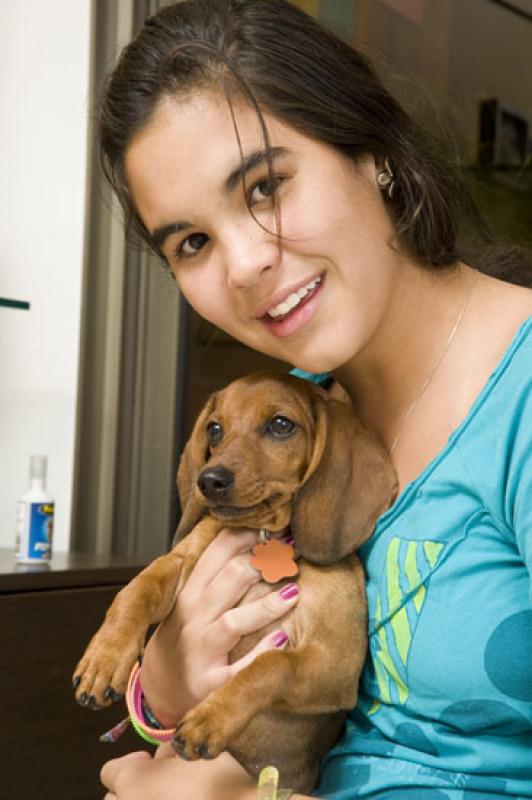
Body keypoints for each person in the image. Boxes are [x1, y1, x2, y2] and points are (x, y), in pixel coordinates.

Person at [96, 1, 532, 798]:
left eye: (265, 186)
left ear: (374, 155)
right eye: (191, 242)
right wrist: (159, 689)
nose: (245, 263)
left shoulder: (521, 406)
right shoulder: (288, 419)